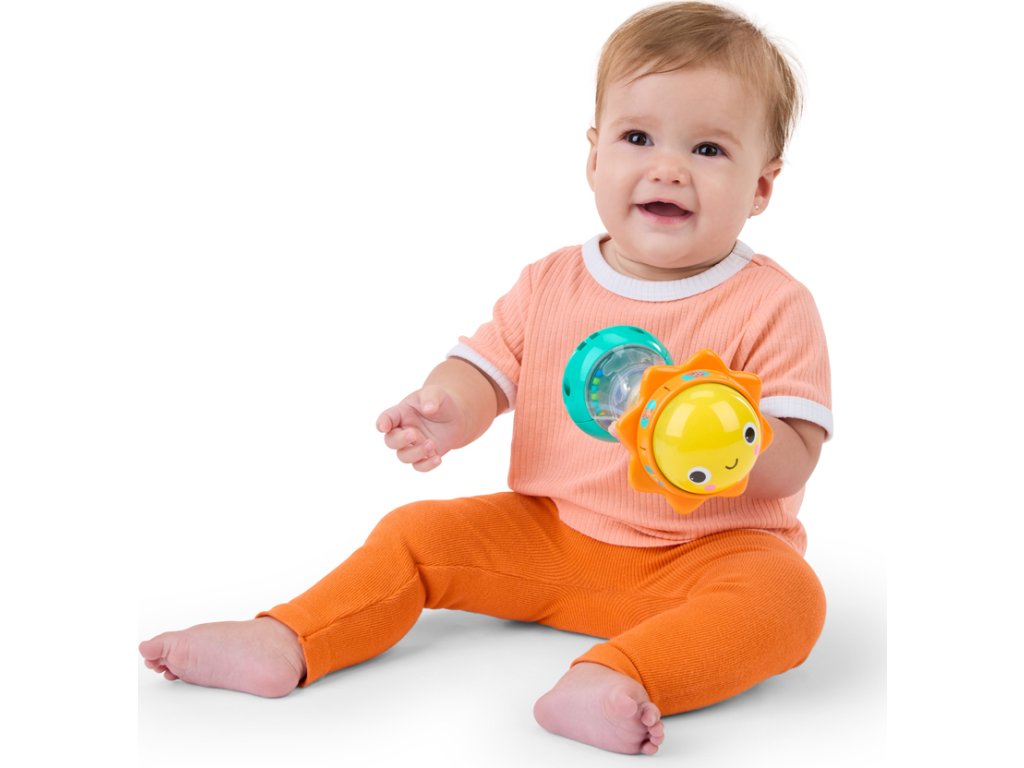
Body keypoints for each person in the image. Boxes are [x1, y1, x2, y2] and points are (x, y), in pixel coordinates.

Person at [139, 2, 832, 756]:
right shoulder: (553, 282)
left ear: (761, 188)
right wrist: (447, 407)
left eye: (708, 148)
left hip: (711, 551)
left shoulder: (772, 304)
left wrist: (726, 442)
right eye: (638, 138)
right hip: (553, 536)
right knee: (415, 532)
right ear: (593, 156)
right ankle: (290, 638)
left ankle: (616, 678)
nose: (667, 168)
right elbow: (488, 366)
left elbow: (796, 454)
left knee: (788, 600)